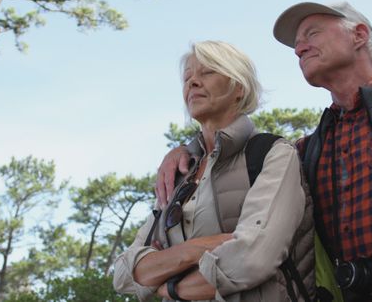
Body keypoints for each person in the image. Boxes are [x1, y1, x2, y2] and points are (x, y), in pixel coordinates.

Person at [155, 2, 372, 302]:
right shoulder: (306, 152)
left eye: (312, 33)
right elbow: (234, 151)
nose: (298, 48)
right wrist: (189, 150)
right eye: (296, 43)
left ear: (359, 35)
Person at [113, 40, 314, 301]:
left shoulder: (273, 154)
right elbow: (123, 274)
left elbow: (252, 258)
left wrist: (170, 284)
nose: (192, 83)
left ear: (239, 87)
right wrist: (199, 247)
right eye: (187, 78)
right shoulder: (178, 174)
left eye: (207, 72)